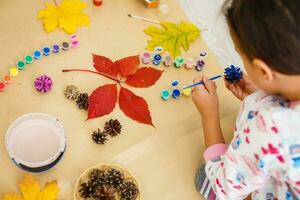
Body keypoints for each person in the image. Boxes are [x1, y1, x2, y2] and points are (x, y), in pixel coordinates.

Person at [192, 0, 300, 199]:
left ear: (263, 70)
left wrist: (210, 115)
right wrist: (264, 94)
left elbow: (226, 188)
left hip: (269, 191)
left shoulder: (269, 126)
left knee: (208, 179)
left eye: (241, 55)